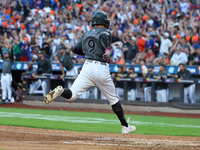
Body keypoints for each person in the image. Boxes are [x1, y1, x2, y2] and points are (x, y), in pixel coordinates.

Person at [44, 11, 136, 134]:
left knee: (71, 95)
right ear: (104, 21)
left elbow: (76, 49)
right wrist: (107, 49)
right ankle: (125, 126)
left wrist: (89, 53)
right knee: (114, 100)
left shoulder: (86, 33)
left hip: (87, 67)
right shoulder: (105, 31)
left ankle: (61, 91)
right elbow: (104, 37)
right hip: (100, 67)